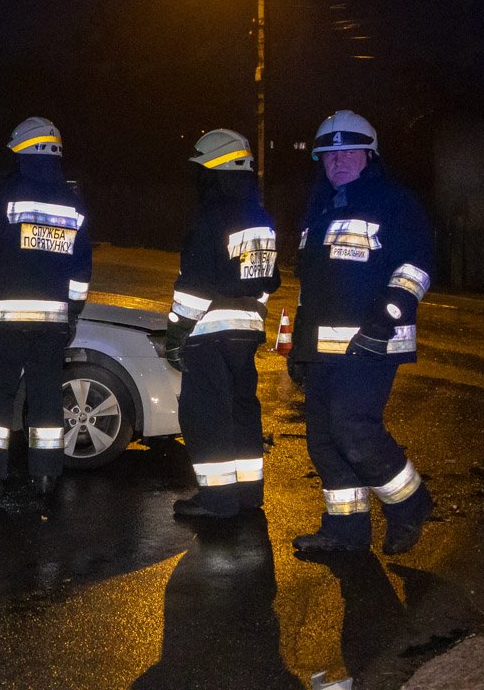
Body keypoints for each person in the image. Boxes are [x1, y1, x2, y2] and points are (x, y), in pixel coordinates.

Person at [288, 110, 435, 555]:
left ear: (370, 156)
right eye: (329, 155)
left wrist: (384, 319)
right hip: (322, 351)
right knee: (323, 440)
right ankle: (346, 531)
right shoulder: (320, 210)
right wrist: (299, 348)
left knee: (353, 430)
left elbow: (414, 269)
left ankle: (410, 504)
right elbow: (311, 288)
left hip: (373, 343)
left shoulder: (394, 202)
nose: (338, 162)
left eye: (348, 152)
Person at [0, 117, 92, 500]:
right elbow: (81, 270)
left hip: (7, 320)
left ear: (24, 152)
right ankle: (46, 476)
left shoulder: (7, 195)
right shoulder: (73, 203)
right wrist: (72, 312)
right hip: (52, 323)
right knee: (46, 395)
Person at [167, 129, 280, 519]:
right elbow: (268, 280)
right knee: (242, 411)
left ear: (214, 172)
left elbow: (194, 285)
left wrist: (177, 332)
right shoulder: (260, 216)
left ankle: (217, 501)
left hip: (208, 333)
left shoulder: (210, 216)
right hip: (246, 334)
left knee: (206, 415)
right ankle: (248, 493)